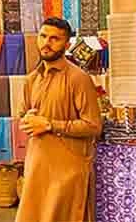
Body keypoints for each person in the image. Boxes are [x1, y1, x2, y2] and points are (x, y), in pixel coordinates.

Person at [17, 17, 102, 222]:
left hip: (68, 172)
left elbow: (93, 126)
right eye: (43, 36)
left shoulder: (78, 79)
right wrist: (27, 119)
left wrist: (49, 124)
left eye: (55, 38)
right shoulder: (32, 79)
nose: (47, 42)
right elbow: (23, 116)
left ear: (67, 44)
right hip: (37, 167)